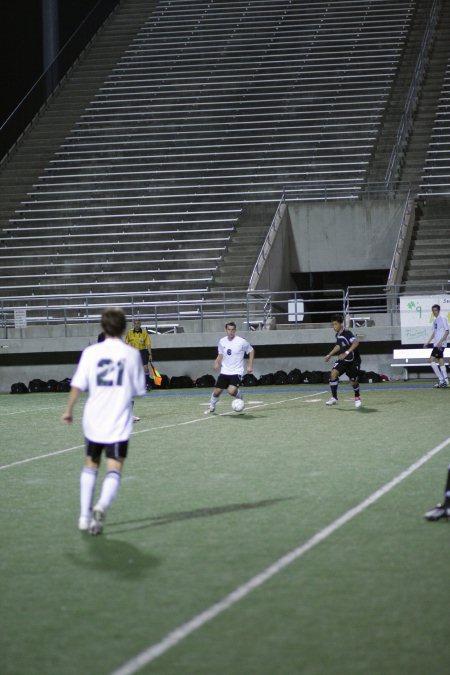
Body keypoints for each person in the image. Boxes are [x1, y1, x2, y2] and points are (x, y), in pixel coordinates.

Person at [62, 307, 146, 535]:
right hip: (118, 419)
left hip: (94, 419)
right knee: (114, 467)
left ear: (103, 327)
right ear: (124, 328)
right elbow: (139, 390)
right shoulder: (131, 354)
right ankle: (101, 506)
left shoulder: (91, 353)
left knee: (91, 464)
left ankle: (83, 516)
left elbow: (77, 385)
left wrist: (69, 410)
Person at [204, 321, 255, 414]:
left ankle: (239, 397)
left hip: (237, 371)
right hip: (225, 370)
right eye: (229, 330)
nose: (231, 332)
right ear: (226, 330)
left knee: (231, 391)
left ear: (235, 330)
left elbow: (251, 351)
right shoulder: (222, 341)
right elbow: (220, 354)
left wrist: (250, 365)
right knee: (216, 392)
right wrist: (216, 362)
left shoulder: (241, 341)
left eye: (232, 330)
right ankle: (211, 406)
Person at [324, 314, 362, 408]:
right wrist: (330, 354)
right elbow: (338, 346)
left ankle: (357, 397)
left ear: (341, 324)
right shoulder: (338, 335)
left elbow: (356, 343)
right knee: (333, 374)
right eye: (333, 325)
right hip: (343, 360)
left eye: (336, 324)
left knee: (353, 381)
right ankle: (334, 398)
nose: (334, 326)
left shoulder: (347, 333)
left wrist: (346, 353)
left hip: (353, 360)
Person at [423, 304, 449, 388]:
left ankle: (442, 380)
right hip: (436, 344)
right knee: (440, 360)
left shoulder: (443, 318)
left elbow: (447, 331)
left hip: (440, 344)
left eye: (435, 310)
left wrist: (441, 342)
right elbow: (434, 332)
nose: (434, 312)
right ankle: (446, 381)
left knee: (431, 360)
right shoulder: (435, 320)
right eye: (433, 310)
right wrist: (428, 342)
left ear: (439, 310)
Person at [125, 318, 153, 391]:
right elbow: (126, 343)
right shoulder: (129, 332)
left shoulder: (144, 333)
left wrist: (150, 354)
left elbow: (148, 344)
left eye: (138, 323)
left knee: (145, 368)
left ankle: (147, 384)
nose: (136, 325)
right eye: (135, 323)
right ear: (133, 324)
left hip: (143, 351)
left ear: (140, 324)